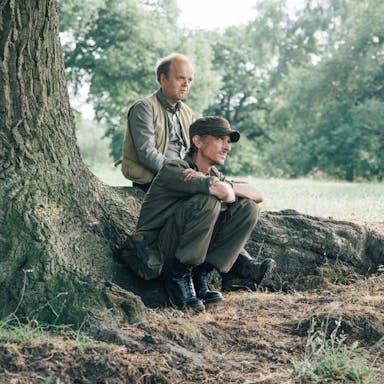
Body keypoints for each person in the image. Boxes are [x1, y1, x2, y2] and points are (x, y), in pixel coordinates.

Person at [130, 116, 275, 312]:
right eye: (220, 139)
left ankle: (200, 275)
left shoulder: (212, 174)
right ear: (198, 141)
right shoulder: (176, 168)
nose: (227, 147)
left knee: (248, 208)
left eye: (228, 141)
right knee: (207, 201)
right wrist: (220, 187)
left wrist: (225, 185)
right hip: (156, 253)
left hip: (181, 247)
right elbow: (224, 194)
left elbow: (257, 196)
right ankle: (178, 279)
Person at [119, 53, 194, 192]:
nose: (186, 84)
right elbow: (147, 153)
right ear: (162, 79)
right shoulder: (144, 108)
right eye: (180, 78)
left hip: (184, 177)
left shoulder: (187, 112)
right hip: (153, 180)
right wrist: (180, 174)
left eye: (190, 80)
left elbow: (192, 151)